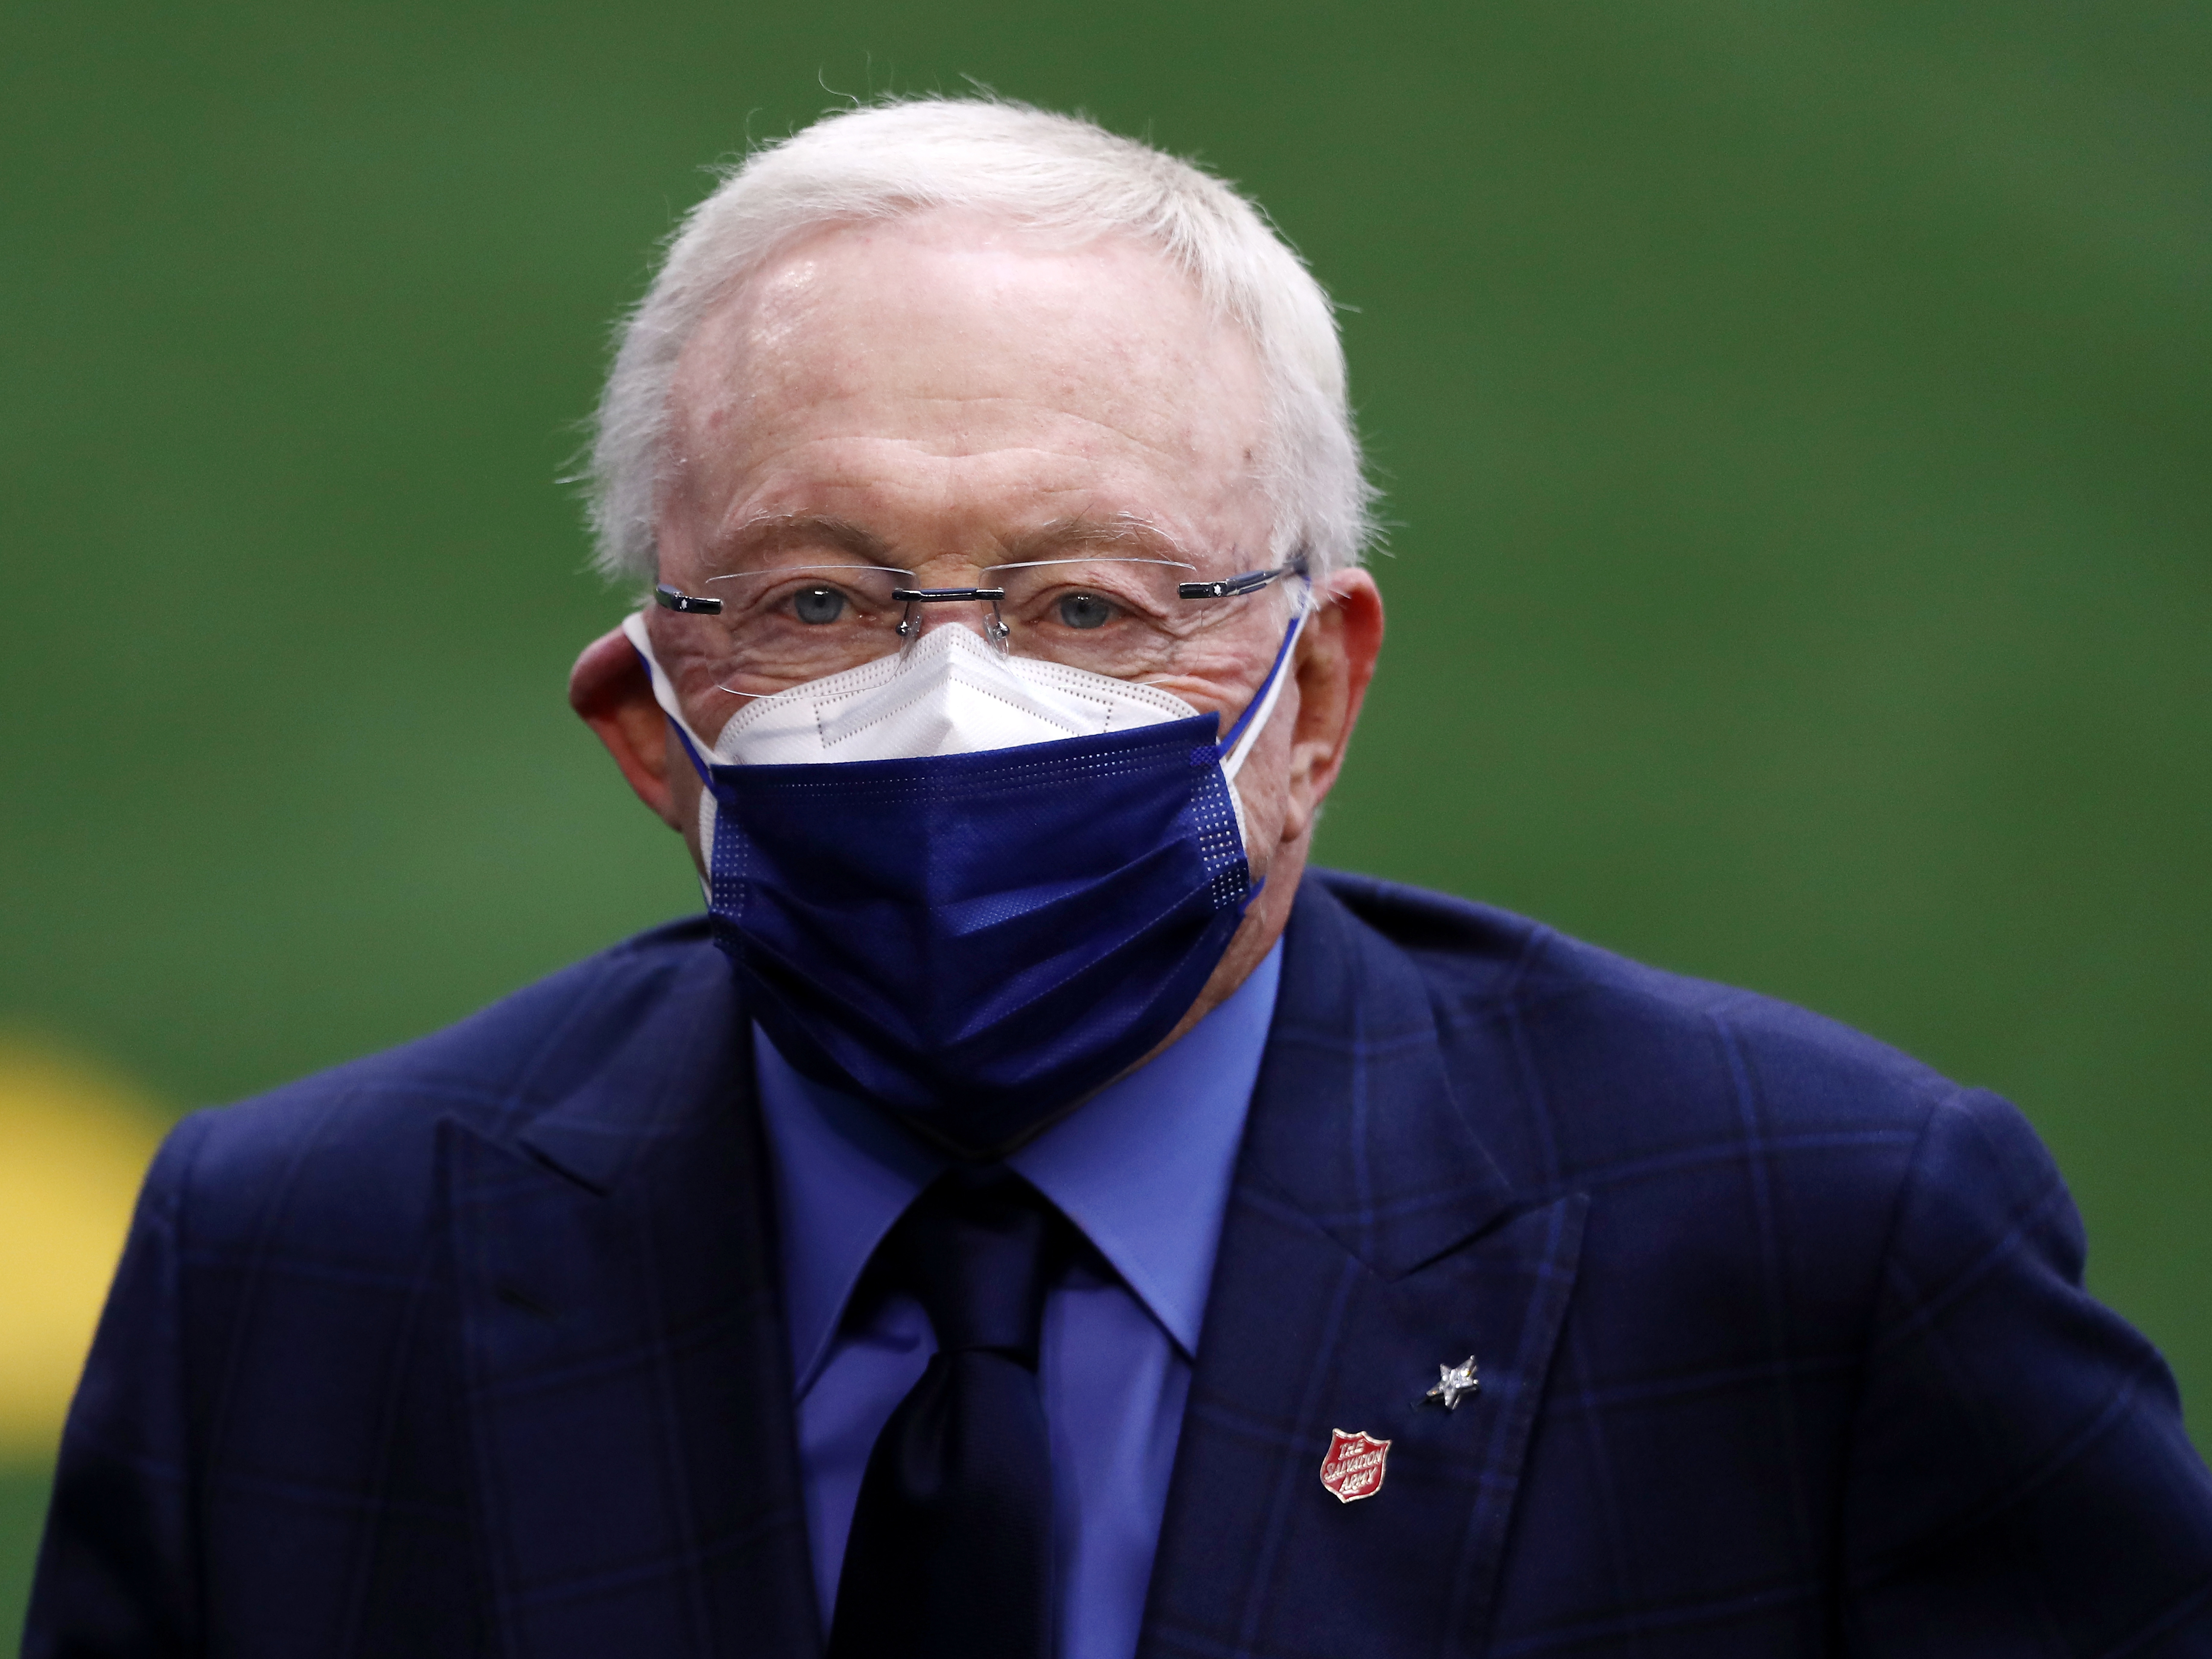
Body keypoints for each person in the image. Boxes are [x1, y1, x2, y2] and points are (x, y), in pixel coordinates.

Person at [27, 97, 2212, 1659]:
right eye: (813, 604)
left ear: (1316, 691)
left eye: (1086, 605)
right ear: (645, 727)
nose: (953, 702)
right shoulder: (300, 1266)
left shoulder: (1808, 1241)